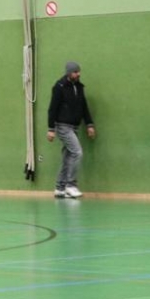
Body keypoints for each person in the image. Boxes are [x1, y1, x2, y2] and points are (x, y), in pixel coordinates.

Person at [47, 61, 96, 199]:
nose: (78, 74)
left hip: (74, 127)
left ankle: (60, 188)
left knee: (68, 157)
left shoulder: (79, 87)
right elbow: (52, 108)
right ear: (69, 73)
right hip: (63, 126)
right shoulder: (59, 87)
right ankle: (71, 185)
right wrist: (51, 129)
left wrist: (89, 124)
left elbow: (84, 106)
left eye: (79, 71)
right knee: (77, 152)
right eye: (75, 72)